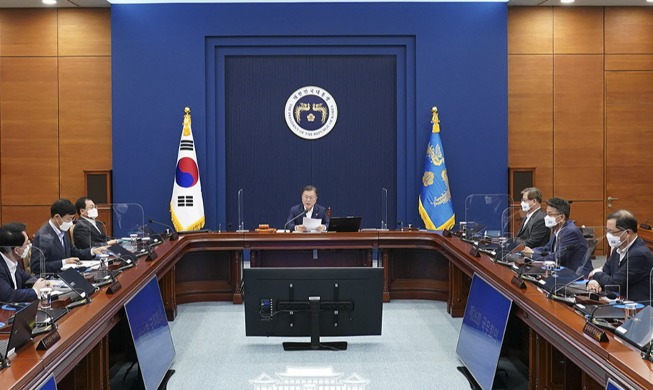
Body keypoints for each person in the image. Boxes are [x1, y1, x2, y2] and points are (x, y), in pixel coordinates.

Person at [587, 210, 653, 302]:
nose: (608, 235)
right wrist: (594, 281)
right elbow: (606, 271)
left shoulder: (639, 254)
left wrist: (595, 273)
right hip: (619, 301)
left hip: (637, 308)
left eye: (612, 232)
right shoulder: (618, 248)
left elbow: (614, 284)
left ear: (628, 233)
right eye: (607, 230)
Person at [30, 199, 107, 275]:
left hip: (67, 275)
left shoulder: (62, 230)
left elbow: (73, 252)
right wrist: (63, 262)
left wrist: (92, 251)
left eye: (72, 218)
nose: (71, 222)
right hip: (53, 278)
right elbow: (37, 267)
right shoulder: (44, 236)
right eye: (69, 219)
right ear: (57, 217)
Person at [522, 197, 590, 276]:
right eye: (546, 213)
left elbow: (557, 257)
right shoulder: (557, 229)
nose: (546, 217)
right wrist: (531, 251)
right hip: (561, 271)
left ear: (561, 217)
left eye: (550, 214)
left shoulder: (570, 232)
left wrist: (532, 255)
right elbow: (547, 248)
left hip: (577, 276)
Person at [0, 222, 49, 303]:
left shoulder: (12, 260)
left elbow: (25, 278)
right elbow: (8, 295)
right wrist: (35, 291)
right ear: (16, 250)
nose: (29, 245)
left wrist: (42, 283)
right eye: (27, 243)